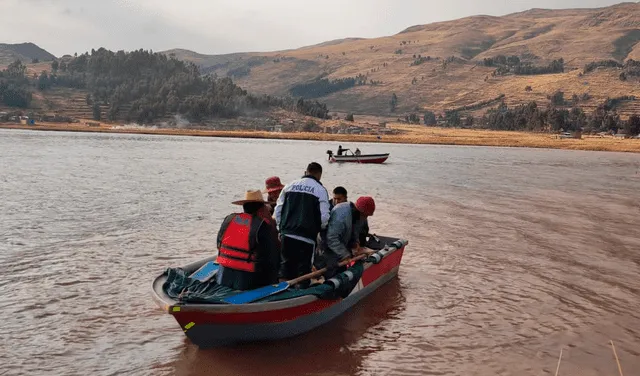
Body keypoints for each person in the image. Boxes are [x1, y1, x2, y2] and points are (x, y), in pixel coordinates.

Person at [274, 162, 330, 288]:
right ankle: (299, 296)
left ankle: (281, 294)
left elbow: (278, 211)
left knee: (285, 268)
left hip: (287, 234)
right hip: (307, 238)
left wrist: (280, 229)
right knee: (303, 270)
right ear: (319, 175)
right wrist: (318, 228)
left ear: (306, 172)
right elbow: (324, 217)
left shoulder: (289, 186)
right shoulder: (320, 190)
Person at [215, 190, 281, 291]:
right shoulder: (261, 225)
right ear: (261, 209)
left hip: (223, 275)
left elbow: (218, 244)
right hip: (246, 280)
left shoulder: (229, 219)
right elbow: (271, 257)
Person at [317, 196, 376, 280]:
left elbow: (354, 230)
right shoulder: (341, 216)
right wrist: (345, 254)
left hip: (339, 244)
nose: (366, 218)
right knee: (331, 272)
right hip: (327, 246)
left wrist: (355, 243)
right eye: (365, 215)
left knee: (342, 269)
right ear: (360, 211)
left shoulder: (356, 215)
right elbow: (331, 238)